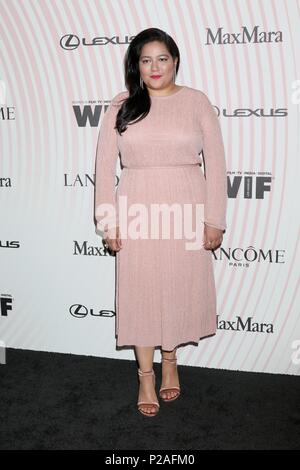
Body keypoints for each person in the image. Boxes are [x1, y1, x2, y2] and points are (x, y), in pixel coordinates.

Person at [94, 28, 227, 417]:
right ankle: (146, 374)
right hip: (136, 207)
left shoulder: (197, 102)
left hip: (187, 206)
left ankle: (171, 360)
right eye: (146, 60)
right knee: (142, 290)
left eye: (162, 58)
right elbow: (104, 170)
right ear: (136, 65)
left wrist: (214, 219)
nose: (154, 67)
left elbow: (216, 166)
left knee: (178, 286)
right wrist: (109, 223)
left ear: (175, 60)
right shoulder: (121, 106)